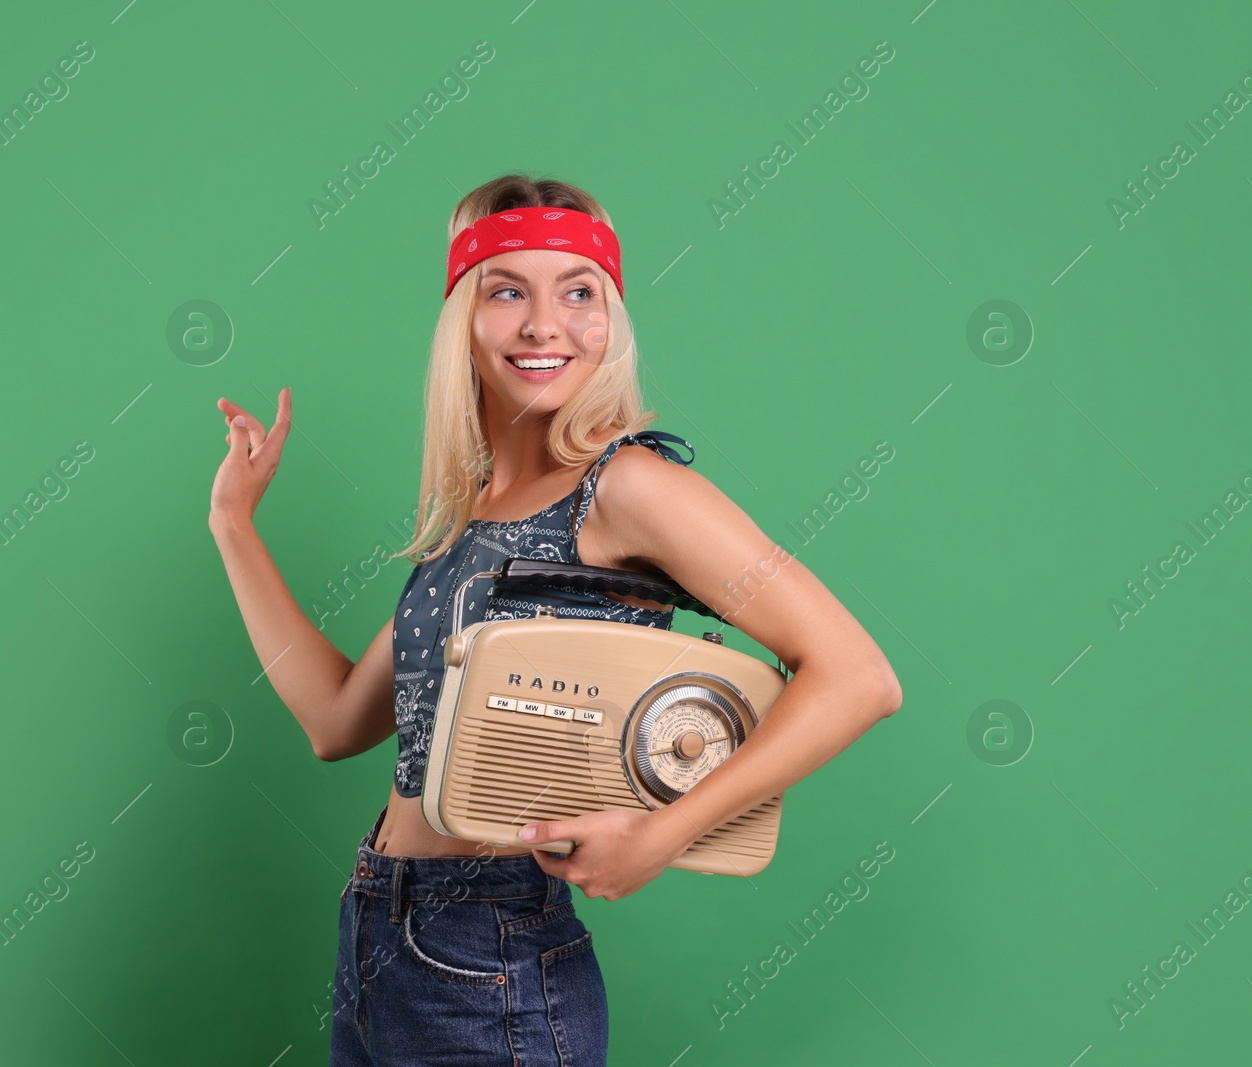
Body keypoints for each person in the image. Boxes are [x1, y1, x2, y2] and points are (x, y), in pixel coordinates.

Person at [207, 172, 903, 1066]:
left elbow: (858, 676)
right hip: (378, 931)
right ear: (464, 317)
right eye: (509, 292)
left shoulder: (629, 487)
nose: (546, 325)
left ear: (611, 319)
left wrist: (661, 835)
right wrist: (234, 526)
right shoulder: (471, 514)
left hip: (491, 955)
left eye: (579, 292)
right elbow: (336, 718)